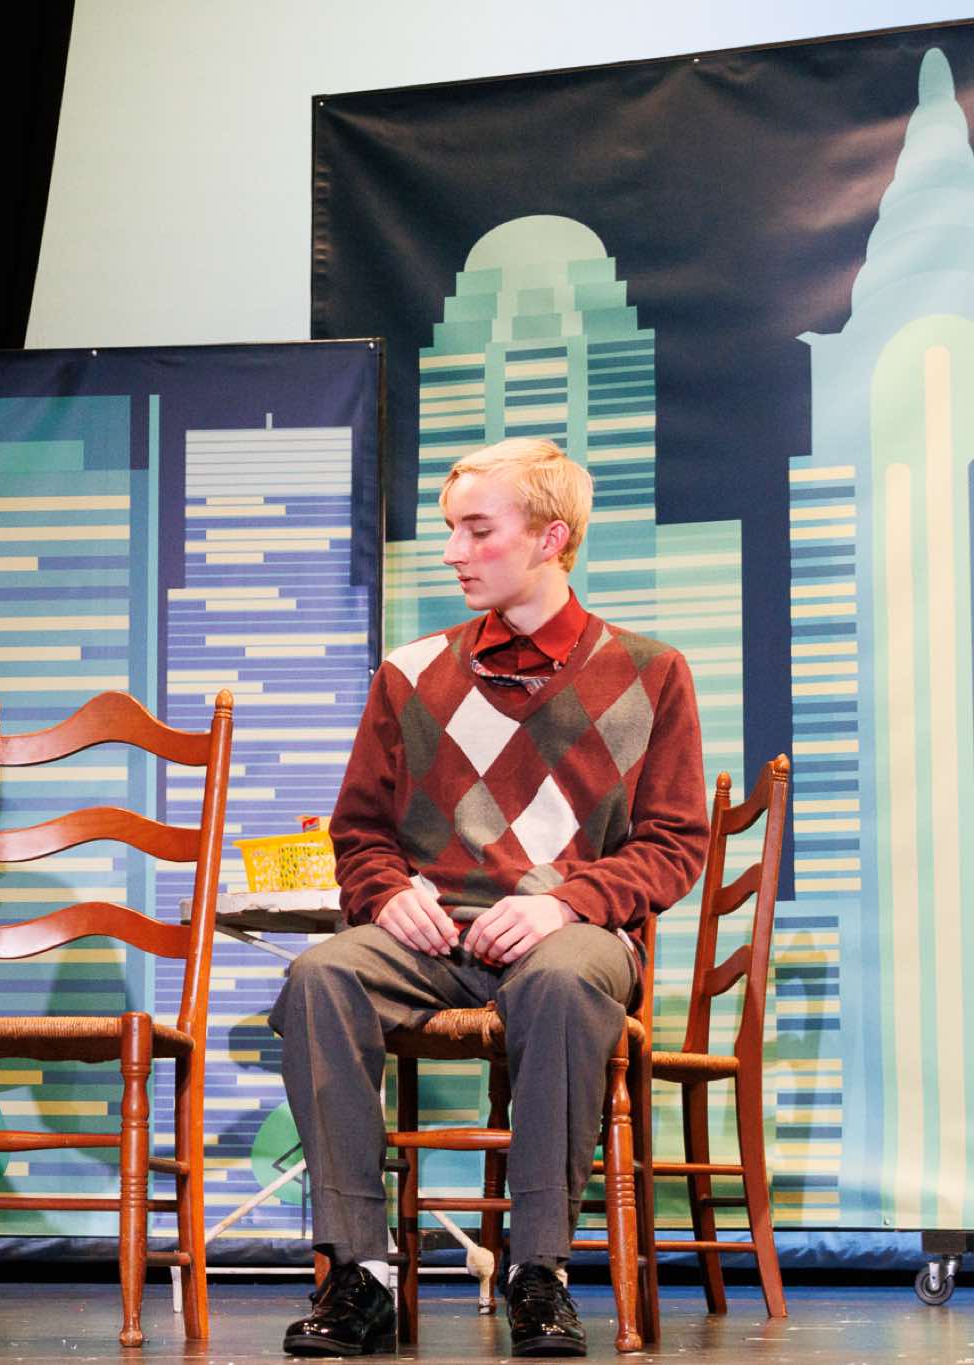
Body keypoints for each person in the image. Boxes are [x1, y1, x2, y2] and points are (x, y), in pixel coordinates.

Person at [272, 438, 707, 1357]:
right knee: (320, 976)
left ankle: (537, 1271)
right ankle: (361, 1270)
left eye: (478, 530)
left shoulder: (650, 670)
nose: (453, 552)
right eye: (450, 530)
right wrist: (386, 893)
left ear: (551, 538)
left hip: (572, 936)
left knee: (561, 980)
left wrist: (569, 901)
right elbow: (359, 833)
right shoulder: (411, 671)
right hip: (432, 943)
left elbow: (676, 843)